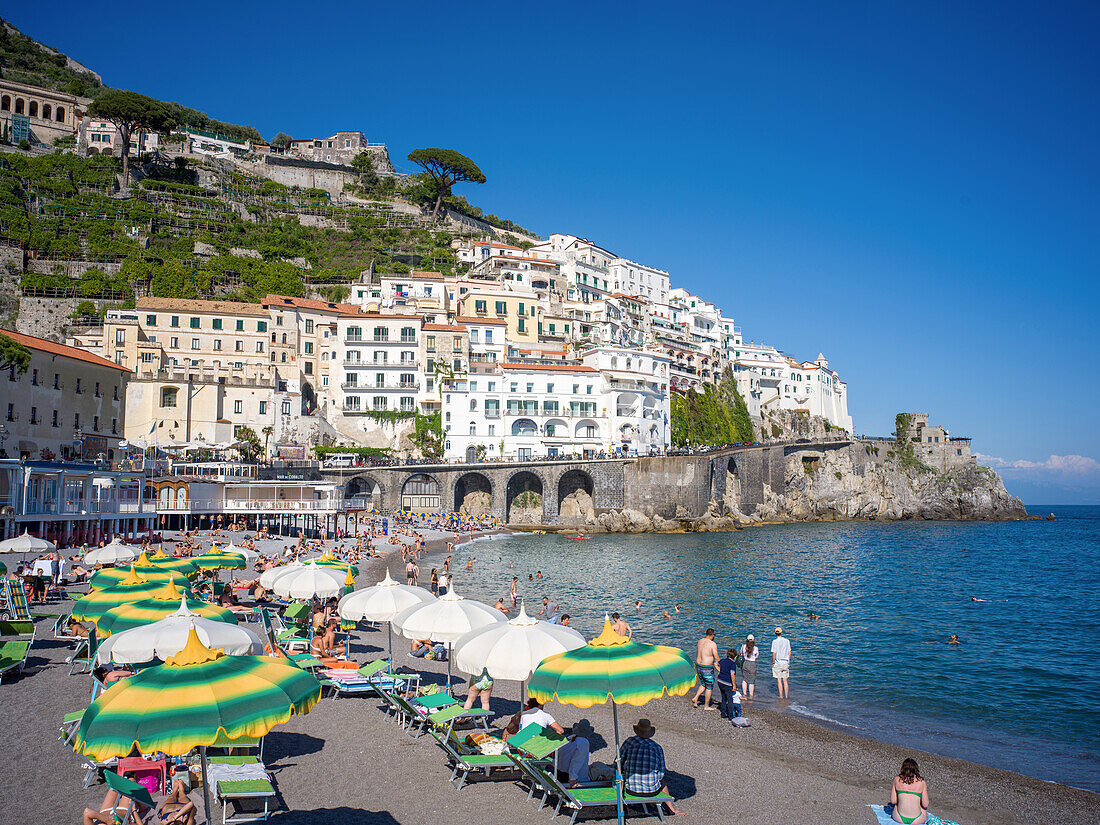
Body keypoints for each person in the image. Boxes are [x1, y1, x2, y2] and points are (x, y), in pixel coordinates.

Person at [619, 719, 687, 816]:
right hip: (652, 791)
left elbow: (618, 761)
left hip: (631, 790)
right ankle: (672, 809)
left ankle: (634, 804)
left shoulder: (630, 742)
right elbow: (661, 772)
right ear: (649, 732)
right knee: (662, 782)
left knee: (628, 771)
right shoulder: (657, 747)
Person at [888, 757, 930, 824]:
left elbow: (893, 801)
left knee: (896, 806)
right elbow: (925, 804)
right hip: (917, 820)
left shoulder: (897, 780)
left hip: (898, 817)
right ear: (916, 769)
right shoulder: (922, 782)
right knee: (924, 809)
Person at [556, 719, 594, 787]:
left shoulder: (570, 738)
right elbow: (577, 761)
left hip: (558, 772)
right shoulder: (583, 743)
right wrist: (572, 779)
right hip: (568, 777)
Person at [692, 628, 718, 710]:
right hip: (706, 668)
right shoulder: (712, 644)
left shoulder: (700, 641)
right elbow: (716, 657)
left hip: (698, 665)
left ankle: (695, 698)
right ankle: (706, 706)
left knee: (703, 683)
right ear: (712, 635)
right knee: (709, 687)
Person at [716, 647, 739, 719]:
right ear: (734, 657)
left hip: (720, 681)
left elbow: (715, 663)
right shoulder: (732, 664)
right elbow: (732, 675)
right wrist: (734, 685)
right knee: (730, 699)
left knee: (723, 698)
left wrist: (719, 670)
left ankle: (723, 714)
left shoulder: (722, 661)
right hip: (727, 683)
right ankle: (731, 716)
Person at [771, 626, 791, 699]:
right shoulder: (787, 641)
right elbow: (789, 652)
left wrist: (773, 662)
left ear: (775, 633)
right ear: (781, 633)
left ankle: (781, 696)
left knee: (779, 680)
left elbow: (774, 653)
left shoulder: (774, 642)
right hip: (785, 662)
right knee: (785, 680)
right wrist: (788, 661)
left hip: (778, 662)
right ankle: (786, 696)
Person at [739, 635, 759, 699]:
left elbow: (741, 654)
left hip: (745, 663)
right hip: (752, 663)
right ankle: (751, 695)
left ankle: (744, 694)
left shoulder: (743, 646)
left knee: (745, 679)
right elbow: (756, 657)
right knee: (751, 681)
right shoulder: (755, 648)